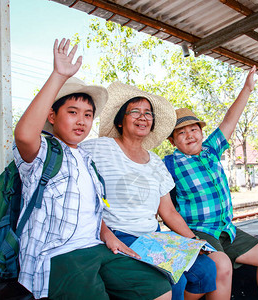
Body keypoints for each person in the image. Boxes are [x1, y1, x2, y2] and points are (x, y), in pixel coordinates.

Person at [13, 38, 172, 300]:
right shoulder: (44, 151)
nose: (82, 120)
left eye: (88, 114)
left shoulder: (86, 159)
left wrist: (109, 237)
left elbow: (90, 211)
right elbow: (24, 135)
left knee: (157, 289)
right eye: (72, 112)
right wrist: (58, 76)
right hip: (58, 254)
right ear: (52, 117)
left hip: (95, 247)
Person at [81, 82, 232, 300]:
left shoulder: (156, 162)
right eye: (135, 112)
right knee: (176, 280)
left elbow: (169, 212)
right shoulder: (99, 148)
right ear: (120, 121)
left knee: (207, 269)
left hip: (153, 236)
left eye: (148, 114)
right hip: (119, 233)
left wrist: (193, 241)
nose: (143, 117)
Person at [164, 66, 258, 300]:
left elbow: (231, 118)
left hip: (226, 229)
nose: (190, 135)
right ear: (172, 140)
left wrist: (247, 89)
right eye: (181, 133)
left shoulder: (211, 150)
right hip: (198, 231)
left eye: (194, 129)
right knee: (221, 265)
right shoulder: (169, 164)